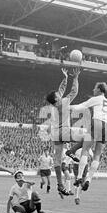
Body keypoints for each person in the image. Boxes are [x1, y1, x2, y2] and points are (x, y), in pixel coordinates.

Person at [67, 82, 107, 191]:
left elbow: (80, 107)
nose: (93, 90)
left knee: (85, 149)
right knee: (97, 155)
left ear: (98, 89)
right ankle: (89, 179)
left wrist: (66, 107)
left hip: (97, 122)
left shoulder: (97, 98)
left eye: (94, 88)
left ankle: (79, 177)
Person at [45, 67, 81, 197]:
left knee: (57, 161)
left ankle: (60, 185)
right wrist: (75, 78)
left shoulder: (52, 105)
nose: (59, 94)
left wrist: (65, 78)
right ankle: (71, 151)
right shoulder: (64, 102)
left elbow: (60, 90)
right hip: (64, 131)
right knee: (88, 136)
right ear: (57, 99)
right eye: (57, 95)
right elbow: (74, 91)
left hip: (55, 135)